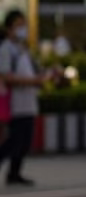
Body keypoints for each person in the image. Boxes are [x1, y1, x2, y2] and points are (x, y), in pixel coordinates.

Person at [0, 10, 49, 186]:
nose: (22, 29)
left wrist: (42, 79)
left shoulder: (23, 48)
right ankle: (13, 172)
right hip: (15, 103)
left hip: (28, 102)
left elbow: (34, 71)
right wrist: (32, 81)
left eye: (23, 25)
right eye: (18, 25)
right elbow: (6, 76)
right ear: (8, 28)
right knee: (13, 141)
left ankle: (14, 173)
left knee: (24, 141)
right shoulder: (6, 49)